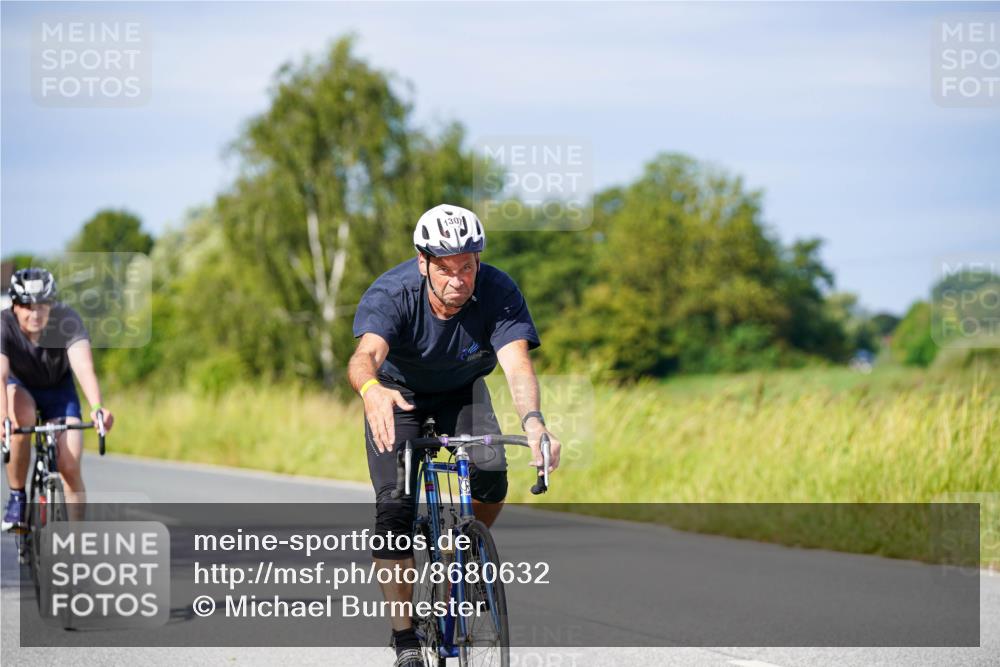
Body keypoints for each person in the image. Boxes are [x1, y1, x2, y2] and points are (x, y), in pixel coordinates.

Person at [348, 204, 562, 667]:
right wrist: (371, 391)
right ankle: (404, 638)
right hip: (397, 396)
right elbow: (365, 356)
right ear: (424, 263)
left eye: (467, 265)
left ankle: (464, 551)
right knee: (394, 514)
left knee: (492, 476)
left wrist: (533, 422)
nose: (458, 279)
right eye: (445, 268)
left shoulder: (498, 291)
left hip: (461, 391)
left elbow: (516, 363)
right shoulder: (394, 293)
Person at [1, 268, 115, 529]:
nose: (35, 313)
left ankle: (75, 540)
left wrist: (97, 407)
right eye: (28, 306)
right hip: (19, 388)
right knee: (21, 418)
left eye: (42, 305)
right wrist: (3, 419)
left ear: (52, 304)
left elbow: (84, 367)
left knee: (70, 465)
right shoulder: (3, 324)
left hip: (59, 389)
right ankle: (17, 498)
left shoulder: (67, 319)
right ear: (15, 305)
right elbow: (1, 374)